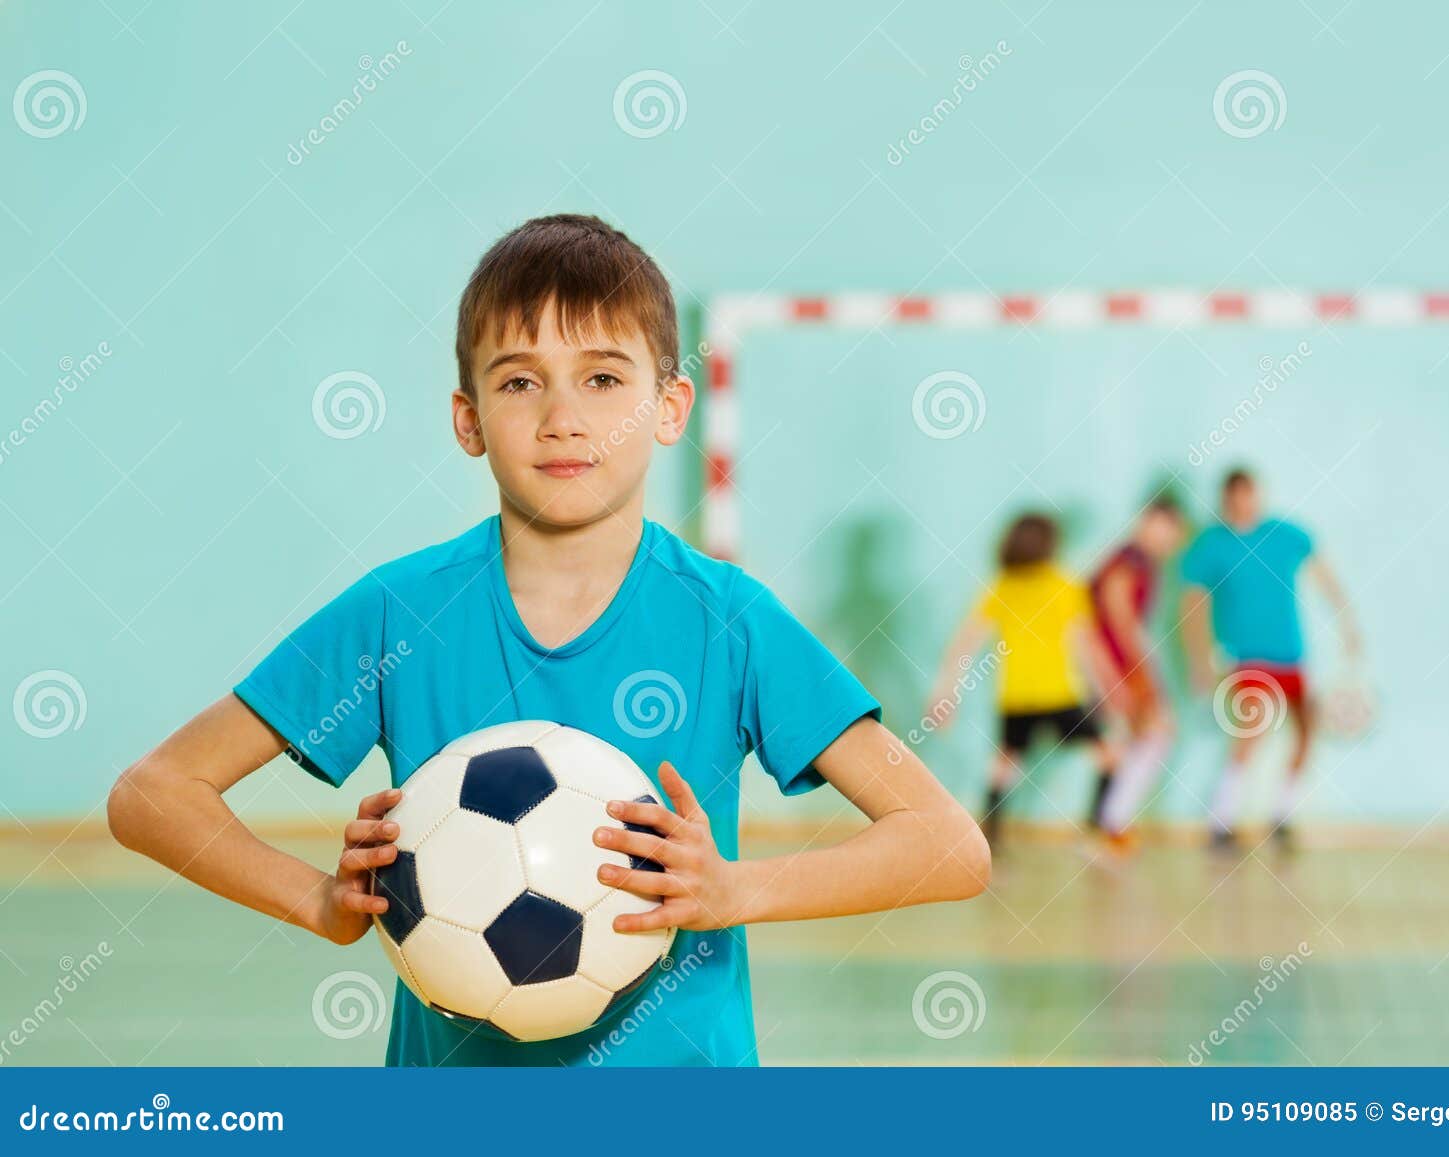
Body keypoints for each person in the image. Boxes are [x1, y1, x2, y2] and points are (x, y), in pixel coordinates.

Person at [107, 214, 989, 1067]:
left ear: (671, 406)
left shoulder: (730, 619)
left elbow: (949, 846)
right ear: (468, 418)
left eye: (603, 378)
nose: (562, 417)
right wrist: (318, 900)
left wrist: (733, 888)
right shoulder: (397, 612)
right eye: (521, 381)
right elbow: (153, 794)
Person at [1178, 468, 1359, 848]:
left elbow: (1325, 576)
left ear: (1257, 495)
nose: (1242, 505)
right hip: (1247, 657)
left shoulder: (1287, 535)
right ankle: (1220, 821)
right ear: (1225, 500)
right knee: (1253, 729)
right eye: (1234, 498)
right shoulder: (1210, 545)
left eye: (1249, 496)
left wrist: (1347, 624)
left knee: (1307, 731)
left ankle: (1282, 816)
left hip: (1291, 654)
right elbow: (1192, 605)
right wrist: (1199, 659)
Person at [925, 513, 1117, 851]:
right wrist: (1108, 691)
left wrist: (945, 693)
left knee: (1002, 768)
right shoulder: (1065, 585)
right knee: (1108, 758)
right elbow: (1087, 646)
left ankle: (988, 842)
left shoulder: (1002, 587)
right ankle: (1094, 828)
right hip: (1060, 695)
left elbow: (963, 645)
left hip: (1016, 698)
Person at [1088, 495, 1189, 847]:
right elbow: (1119, 616)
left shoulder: (1140, 561)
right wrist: (1137, 670)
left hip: (1116, 663)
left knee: (1126, 741)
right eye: (1169, 530)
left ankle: (1108, 824)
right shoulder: (1130, 559)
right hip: (1115, 664)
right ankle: (1111, 824)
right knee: (1154, 732)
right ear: (1150, 522)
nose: (1172, 540)